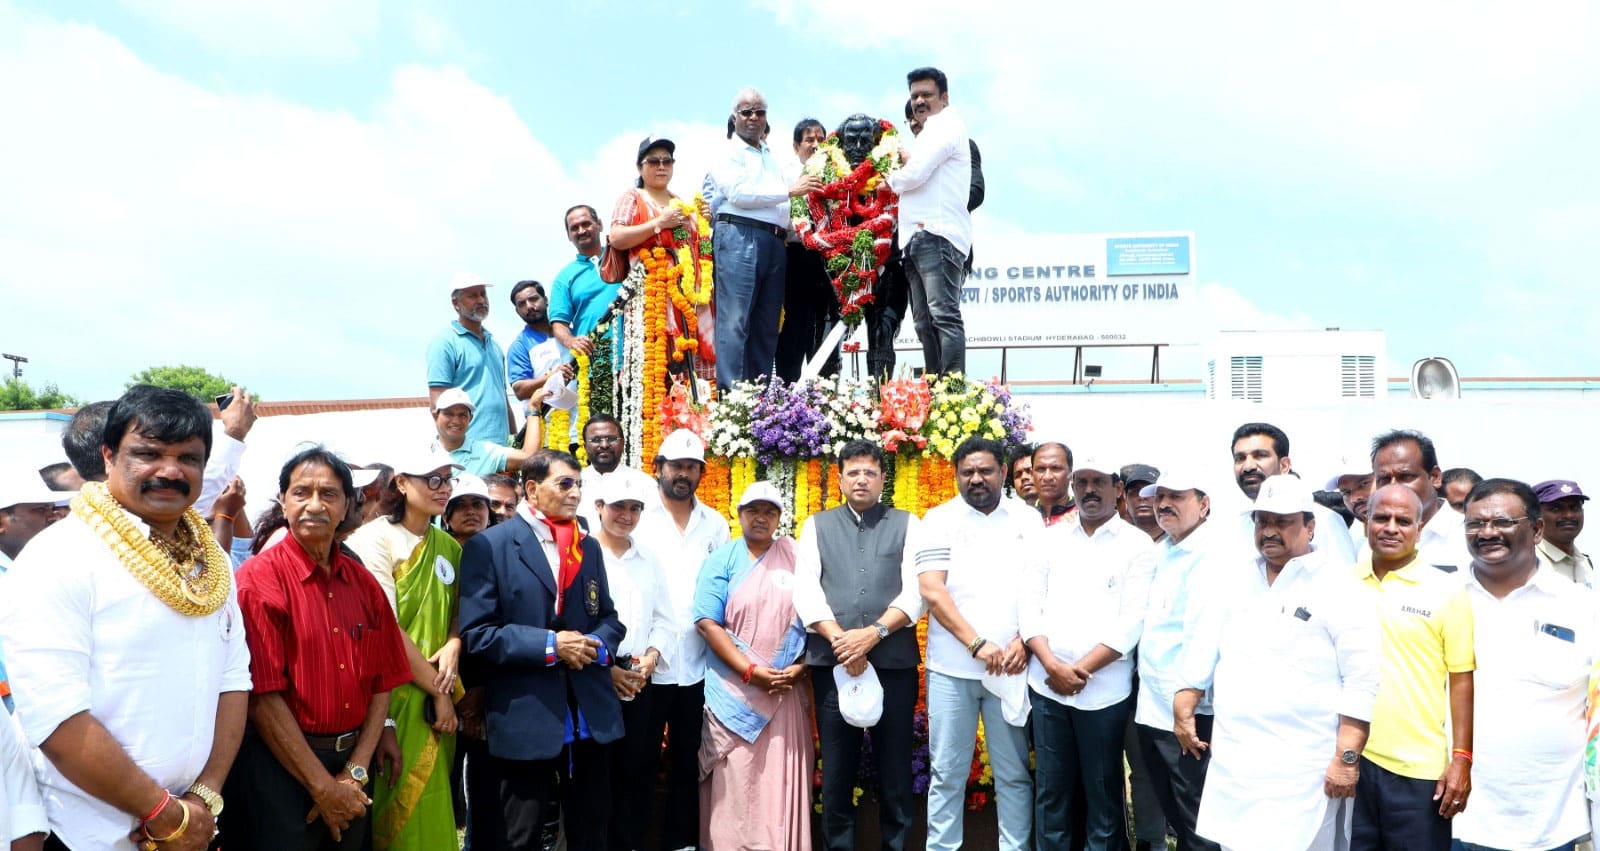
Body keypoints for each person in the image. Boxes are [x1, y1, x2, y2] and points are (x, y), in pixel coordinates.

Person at [0, 385, 249, 850]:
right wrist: (164, 813)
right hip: (85, 832)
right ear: (109, 457)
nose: (170, 471)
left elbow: (233, 682)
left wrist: (202, 799)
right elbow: (58, 719)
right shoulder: (60, 556)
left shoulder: (210, 565)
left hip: (193, 825)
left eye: (189, 459)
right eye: (148, 454)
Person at [1178, 475, 1380, 851]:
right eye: (1262, 521)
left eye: (1282, 521)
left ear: (1310, 526)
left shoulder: (1340, 586)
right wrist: (1185, 700)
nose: (1269, 531)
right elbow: (1205, 642)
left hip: (1303, 773)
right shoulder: (1237, 579)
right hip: (1237, 764)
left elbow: (1362, 680)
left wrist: (1347, 759)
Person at [227, 447, 411, 850]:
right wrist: (324, 789)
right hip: (280, 768)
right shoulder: (258, 581)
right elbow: (263, 699)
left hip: (350, 765)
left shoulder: (362, 583)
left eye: (328, 494)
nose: (314, 505)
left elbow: (383, 681)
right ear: (282, 501)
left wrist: (355, 772)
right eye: (301, 493)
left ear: (348, 504)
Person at [459, 449, 623, 851]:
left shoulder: (589, 546)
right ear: (531, 489)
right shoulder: (490, 546)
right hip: (527, 712)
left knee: (591, 832)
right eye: (564, 483)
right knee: (520, 834)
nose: (575, 494)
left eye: (579, 485)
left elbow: (609, 618)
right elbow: (479, 633)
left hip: (586, 713)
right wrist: (552, 646)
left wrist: (595, 646)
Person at [792, 440, 924, 851]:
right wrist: (842, 641)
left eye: (870, 472)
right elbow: (805, 592)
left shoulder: (908, 523)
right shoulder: (817, 525)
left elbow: (916, 592)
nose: (861, 479)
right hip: (834, 664)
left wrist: (874, 635)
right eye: (853, 472)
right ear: (840, 479)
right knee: (837, 770)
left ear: (884, 479)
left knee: (895, 770)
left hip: (893, 662)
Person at [1022, 456, 1156, 851]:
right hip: (1047, 688)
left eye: (1099, 481)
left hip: (1105, 692)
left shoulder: (1137, 544)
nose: (1089, 490)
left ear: (1118, 488)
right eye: (1081, 482)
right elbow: (1028, 607)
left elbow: (1131, 623)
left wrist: (1076, 671)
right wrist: (1052, 666)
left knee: (1103, 791)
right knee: (1052, 792)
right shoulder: (1049, 540)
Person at [1453, 479, 1593, 851]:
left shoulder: (1581, 606)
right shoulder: (1443, 599)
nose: (1487, 533)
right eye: (1475, 524)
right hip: (1454, 818)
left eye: (1502, 523)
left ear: (1536, 530)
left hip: (1551, 822)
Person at [337, 446, 466, 851]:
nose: (443, 488)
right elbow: (387, 630)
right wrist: (438, 692)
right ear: (402, 482)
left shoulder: (449, 546)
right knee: (401, 804)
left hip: (438, 687)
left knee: (435, 799)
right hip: (395, 695)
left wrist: (455, 643)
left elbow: (458, 614)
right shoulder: (373, 541)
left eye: (447, 479)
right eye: (433, 479)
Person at [915, 436, 1038, 851]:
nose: (977, 479)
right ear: (955, 477)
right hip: (952, 670)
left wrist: (1025, 639)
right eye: (967, 472)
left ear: (1004, 472)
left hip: (1013, 668)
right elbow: (933, 591)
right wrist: (976, 643)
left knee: (1014, 773)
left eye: (986, 470)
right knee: (947, 772)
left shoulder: (1027, 519)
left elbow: (1042, 587)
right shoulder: (937, 519)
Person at [1350, 484, 1474, 850]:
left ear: (1419, 529)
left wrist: (1461, 760)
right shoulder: (1340, 584)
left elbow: (1461, 679)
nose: (1391, 528)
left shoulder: (1447, 591)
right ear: (1365, 523)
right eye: (1381, 518)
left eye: (1403, 520)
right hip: (1349, 762)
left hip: (1418, 770)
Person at [694, 480, 813, 851]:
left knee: (781, 780)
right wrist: (750, 672)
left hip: (785, 690)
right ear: (739, 514)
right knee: (736, 785)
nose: (761, 518)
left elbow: (819, 617)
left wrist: (802, 667)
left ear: (779, 517)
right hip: (733, 691)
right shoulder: (722, 559)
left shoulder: (797, 557)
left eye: (770, 511)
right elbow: (707, 622)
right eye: (753, 510)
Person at [630, 429, 731, 851]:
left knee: (689, 759)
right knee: (639, 759)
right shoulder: (639, 517)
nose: (683, 474)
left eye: (692, 467)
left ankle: (681, 842)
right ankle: (632, 839)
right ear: (658, 468)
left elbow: (724, 588)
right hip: (645, 664)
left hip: (699, 664)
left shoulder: (716, 523)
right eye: (675, 466)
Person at [1134, 464, 1226, 851]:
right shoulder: (1163, 550)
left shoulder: (1210, 555)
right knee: (1176, 812)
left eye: (1176, 496)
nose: (1164, 504)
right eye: (1160, 497)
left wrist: (1185, 709)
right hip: (1154, 708)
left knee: (1198, 820)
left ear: (1203, 505)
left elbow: (1205, 635)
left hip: (1186, 716)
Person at [708, 87, 822, 388]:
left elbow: (786, 205)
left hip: (775, 241)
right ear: (735, 118)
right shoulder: (726, 151)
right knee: (735, 322)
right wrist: (791, 190)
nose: (754, 118)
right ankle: (733, 400)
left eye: (760, 112)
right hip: (738, 234)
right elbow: (739, 193)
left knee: (767, 326)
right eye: (747, 112)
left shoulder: (770, 155)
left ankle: (758, 400)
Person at [587, 471, 671, 851]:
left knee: (637, 771)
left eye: (635, 508)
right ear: (599, 507)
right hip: (595, 677)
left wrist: (653, 657)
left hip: (640, 677)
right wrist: (608, 671)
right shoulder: (584, 555)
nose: (626, 515)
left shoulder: (649, 558)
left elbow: (664, 619)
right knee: (596, 775)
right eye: (618, 506)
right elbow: (574, 624)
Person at [887, 67, 972, 377]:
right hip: (915, 238)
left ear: (944, 98)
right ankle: (937, 389)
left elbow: (913, 175)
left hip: (936, 234)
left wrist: (885, 175)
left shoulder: (945, 125)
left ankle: (952, 390)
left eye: (927, 94)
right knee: (923, 322)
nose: (919, 101)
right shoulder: (927, 133)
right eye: (914, 96)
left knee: (943, 315)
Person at [608, 136, 714, 379]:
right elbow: (617, 237)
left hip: (686, 300)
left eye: (667, 161)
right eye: (654, 161)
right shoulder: (633, 197)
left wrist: (703, 219)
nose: (661, 166)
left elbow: (698, 250)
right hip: (651, 298)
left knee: (689, 376)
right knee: (653, 373)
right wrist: (658, 223)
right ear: (640, 167)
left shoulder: (680, 203)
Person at [1229, 423, 1356, 563]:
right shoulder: (1234, 527)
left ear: (1284, 465)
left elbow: (1345, 578)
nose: (1248, 467)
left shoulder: (1324, 519)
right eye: (1240, 458)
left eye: (1260, 455)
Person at [776, 116, 842, 383]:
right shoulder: (787, 175)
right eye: (809, 140)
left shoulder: (838, 172)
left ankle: (826, 393)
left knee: (828, 324)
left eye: (820, 140)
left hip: (829, 259)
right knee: (795, 326)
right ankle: (787, 394)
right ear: (796, 146)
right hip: (797, 256)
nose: (815, 145)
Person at [427, 271, 512, 449]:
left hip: (500, 450)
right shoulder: (445, 342)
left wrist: (513, 439)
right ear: (456, 303)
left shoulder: (494, 344)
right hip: (468, 449)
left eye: (483, 294)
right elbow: (437, 402)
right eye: (472, 296)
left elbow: (502, 397)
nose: (481, 300)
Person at [1369, 429, 1472, 573]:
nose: (1394, 488)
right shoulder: (1369, 542)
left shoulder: (1469, 538)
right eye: (1384, 479)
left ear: (1435, 477)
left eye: (1406, 477)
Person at [432, 386, 544, 477]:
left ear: (470, 418)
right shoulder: (422, 454)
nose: (456, 421)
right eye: (449, 414)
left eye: (462, 415)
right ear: (435, 416)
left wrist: (533, 410)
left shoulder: (486, 452)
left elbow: (529, 457)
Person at [576, 413, 653, 530]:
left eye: (611, 439)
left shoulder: (644, 483)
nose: (604, 445)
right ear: (585, 445)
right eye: (596, 440)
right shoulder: (573, 484)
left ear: (622, 443)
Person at [506, 280, 565, 406]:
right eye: (521, 304)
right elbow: (520, 390)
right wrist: (554, 377)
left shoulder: (569, 334)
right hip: (547, 421)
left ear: (546, 300)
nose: (529, 306)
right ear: (517, 311)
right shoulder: (520, 346)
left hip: (585, 417)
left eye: (533, 299)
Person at [1535, 479, 1593, 586]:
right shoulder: (1528, 563)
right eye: (1556, 508)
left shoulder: (1585, 563)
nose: (1569, 515)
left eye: (1574, 508)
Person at [1032, 441, 1077, 526]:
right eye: (1041, 469)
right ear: (1032, 474)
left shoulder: (1084, 516)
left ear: (1070, 474)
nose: (1047, 477)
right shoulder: (1022, 518)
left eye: (1056, 468)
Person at [444, 472, 495, 545]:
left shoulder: (501, 552)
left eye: (477, 504)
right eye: (460, 505)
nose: (470, 511)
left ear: (489, 514)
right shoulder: (435, 550)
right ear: (445, 517)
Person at [1120, 463, 1165, 542]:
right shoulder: (1114, 540)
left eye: (1149, 492)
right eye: (1135, 491)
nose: (1142, 497)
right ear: (1125, 496)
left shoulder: (1179, 538)